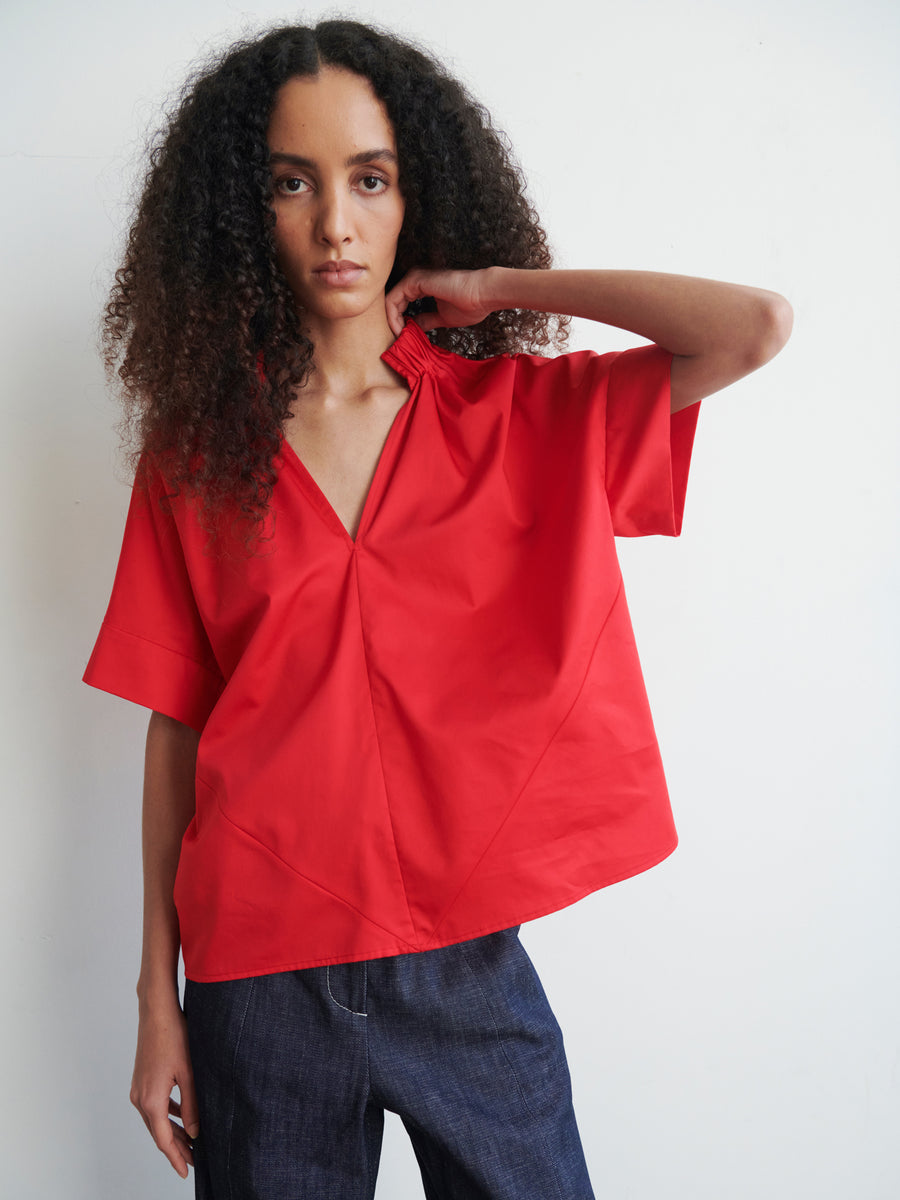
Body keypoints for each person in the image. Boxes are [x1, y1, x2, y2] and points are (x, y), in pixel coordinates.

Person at [83, 17, 792, 1200]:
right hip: (260, 985)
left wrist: (505, 286)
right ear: (239, 209)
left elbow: (753, 326)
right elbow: (179, 728)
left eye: (371, 179)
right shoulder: (196, 453)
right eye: (290, 184)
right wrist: (160, 1000)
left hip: (466, 972)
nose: (335, 224)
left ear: (422, 195)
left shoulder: (517, 417)